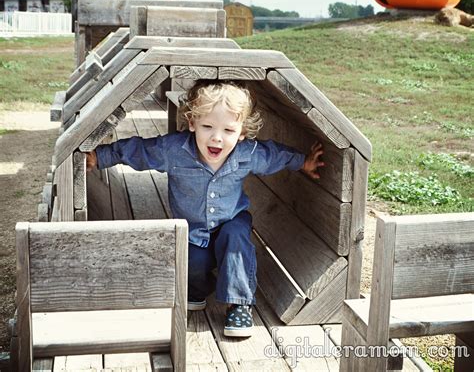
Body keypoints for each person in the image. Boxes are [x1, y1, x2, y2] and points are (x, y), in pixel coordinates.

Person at [85, 80, 324, 338]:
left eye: (228, 130)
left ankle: (239, 303)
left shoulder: (247, 154)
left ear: (242, 132)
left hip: (231, 220)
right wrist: (101, 156)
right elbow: (140, 151)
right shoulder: (174, 150)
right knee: (193, 262)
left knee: (236, 242)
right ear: (192, 124)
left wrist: (303, 163)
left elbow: (274, 155)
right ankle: (198, 290)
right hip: (192, 228)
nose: (217, 138)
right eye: (207, 126)